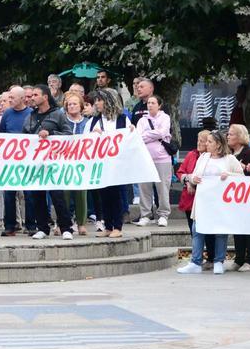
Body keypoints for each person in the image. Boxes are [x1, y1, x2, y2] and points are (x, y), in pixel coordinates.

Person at [177, 130, 243, 274]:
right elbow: (194, 174)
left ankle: (219, 261)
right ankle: (195, 261)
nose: (206, 144)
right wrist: (193, 179)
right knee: (197, 229)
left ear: (218, 144)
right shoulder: (204, 157)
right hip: (203, 201)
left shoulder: (230, 159)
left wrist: (229, 175)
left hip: (221, 203)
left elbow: (241, 177)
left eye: (210, 142)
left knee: (220, 231)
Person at [22, 84, 75, 240]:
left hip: (53, 163)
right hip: (36, 163)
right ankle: (43, 228)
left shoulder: (58, 114)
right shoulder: (30, 116)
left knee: (57, 196)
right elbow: (24, 136)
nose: (32, 98)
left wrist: (51, 134)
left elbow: (68, 134)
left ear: (45, 97)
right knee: (37, 196)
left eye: (35, 95)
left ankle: (66, 228)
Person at [87, 88, 130, 238]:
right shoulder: (94, 120)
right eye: (96, 100)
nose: (96, 103)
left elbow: (129, 139)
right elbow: (85, 140)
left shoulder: (122, 119)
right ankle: (108, 226)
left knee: (116, 195)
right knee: (103, 196)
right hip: (101, 165)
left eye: (100, 100)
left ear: (109, 101)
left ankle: (118, 226)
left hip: (117, 164)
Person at [225, 124, 250, 271]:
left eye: (231, 134)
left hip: (248, 195)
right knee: (236, 227)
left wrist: (247, 168)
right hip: (233, 197)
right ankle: (239, 259)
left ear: (240, 137)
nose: (228, 136)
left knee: (248, 227)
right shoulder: (227, 154)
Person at [136, 95, 173, 227]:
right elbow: (138, 137)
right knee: (144, 188)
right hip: (145, 158)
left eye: (153, 103)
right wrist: (154, 134)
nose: (150, 105)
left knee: (162, 187)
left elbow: (162, 133)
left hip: (162, 158)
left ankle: (163, 215)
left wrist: (147, 135)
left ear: (159, 105)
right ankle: (145, 215)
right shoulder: (142, 120)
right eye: (149, 103)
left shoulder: (165, 118)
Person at [0, 85, 31, 236]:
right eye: (9, 97)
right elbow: (3, 134)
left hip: (28, 160)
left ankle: (31, 224)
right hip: (10, 160)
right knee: (9, 194)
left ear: (23, 99)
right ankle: (10, 225)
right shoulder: (7, 114)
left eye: (12, 98)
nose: (9, 100)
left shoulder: (31, 113)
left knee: (29, 194)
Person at [62, 91, 90, 233]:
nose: (72, 106)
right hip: (64, 162)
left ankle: (81, 223)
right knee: (64, 194)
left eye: (74, 104)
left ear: (81, 106)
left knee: (81, 193)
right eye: (69, 104)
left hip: (81, 162)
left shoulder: (88, 122)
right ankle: (64, 222)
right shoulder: (62, 121)